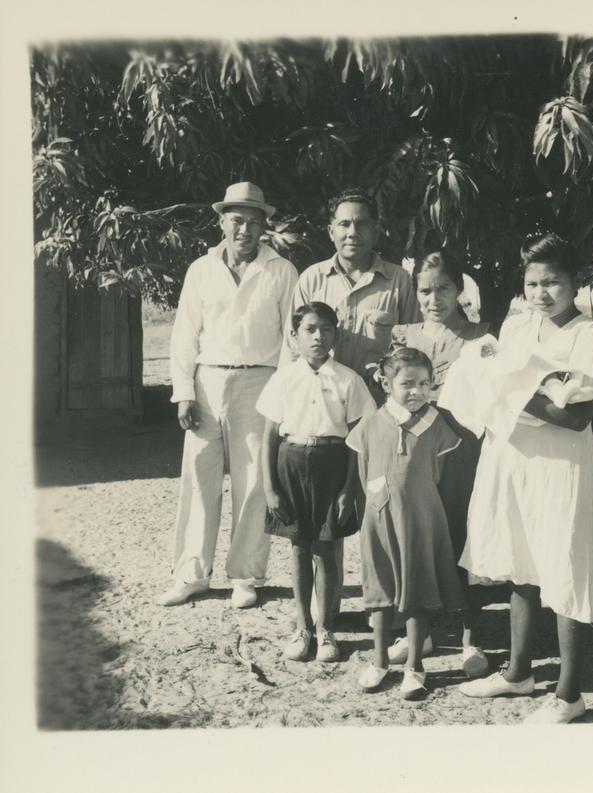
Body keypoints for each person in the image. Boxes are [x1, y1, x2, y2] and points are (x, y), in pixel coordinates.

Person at [455, 233, 593, 724]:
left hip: (561, 467)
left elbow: (576, 417)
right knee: (521, 565)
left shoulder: (589, 337)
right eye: (532, 283)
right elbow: (488, 381)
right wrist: (502, 383)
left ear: (576, 283)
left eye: (553, 283)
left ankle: (569, 696)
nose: (542, 293)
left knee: (565, 568)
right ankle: (518, 673)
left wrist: (510, 388)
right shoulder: (520, 329)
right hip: (515, 460)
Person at [279, 187, 420, 622]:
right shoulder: (311, 279)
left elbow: (413, 347)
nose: (352, 231)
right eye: (343, 223)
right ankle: (327, 615)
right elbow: (294, 349)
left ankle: (394, 610)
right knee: (329, 520)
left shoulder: (399, 280)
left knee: (386, 508)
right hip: (327, 424)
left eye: (361, 223)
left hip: (381, 418)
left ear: (377, 230)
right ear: (330, 230)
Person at [158, 181, 298, 608]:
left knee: (254, 481)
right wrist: (184, 392)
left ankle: (245, 575)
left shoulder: (281, 271)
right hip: (207, 381)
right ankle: (191, 573)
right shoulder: (201, 270)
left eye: (254, 222)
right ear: (221, 222)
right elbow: (184, 334)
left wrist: (283, 399)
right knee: (199, 477)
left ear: (264, 227)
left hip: (261, 382)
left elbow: (291, 340)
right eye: (237, 220)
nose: (245, 230)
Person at [388, 250, 492, 679]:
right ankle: (420, 634)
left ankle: (473, 636)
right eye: (426, 290)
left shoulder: (481, 339)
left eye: (444, 288)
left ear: (459, 289)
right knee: (416, 541)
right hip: (414, 453)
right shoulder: (404, 335)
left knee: (463, 539)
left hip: (463, 452)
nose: (434, 299)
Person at [257, 302, 375, 663]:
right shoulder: (283, 378)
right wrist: (269, 486)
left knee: (326, 551)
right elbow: (269, 436)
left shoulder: (347, 379)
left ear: (335, 334)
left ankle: (326, 630)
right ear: (294, 337)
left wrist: (348, 490)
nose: (318, 337)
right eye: (309, 329)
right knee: (298, 549)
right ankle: (302, 627)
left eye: (325, 329)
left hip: (332, 465)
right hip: (290, 465)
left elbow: (357, 440)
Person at [346, 347, 466, 700]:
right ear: (386, 383)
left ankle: (415, 665)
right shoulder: (370, 424)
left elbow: (440, 475)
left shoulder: (437, 426)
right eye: (407, 383)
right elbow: (363, 472)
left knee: (418, 589)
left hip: (420, 521)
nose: (416, 391)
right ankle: (380, 660)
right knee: (380, 589)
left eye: (425, 384)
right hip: (379, 520)